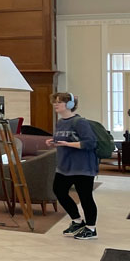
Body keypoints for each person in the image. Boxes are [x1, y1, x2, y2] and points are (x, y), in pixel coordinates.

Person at [47, 92, 100, 240]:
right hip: (65, 166)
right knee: (59, 191)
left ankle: (91, 228)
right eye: (54, 102)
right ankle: (77, 221)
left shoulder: (80, 122)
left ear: (69, 105)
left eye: (59, 102)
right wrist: (53, 141)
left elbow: (90, 143)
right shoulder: (60, 122)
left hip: (83, 167)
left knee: (85, 197)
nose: (55, 104)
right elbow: (64, 138)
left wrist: (67, 144)